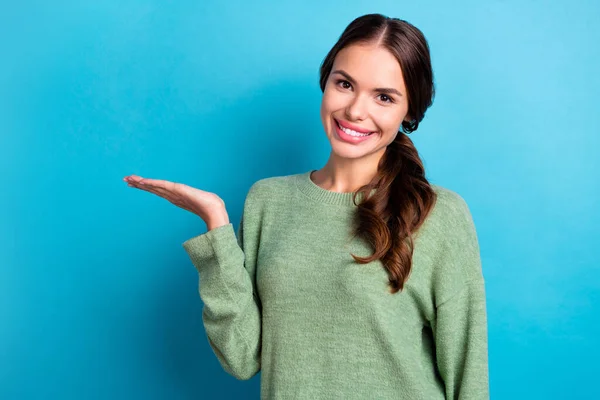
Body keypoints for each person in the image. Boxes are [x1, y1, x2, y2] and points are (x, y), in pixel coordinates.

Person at [124, 13, 489, 400]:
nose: (355, 111)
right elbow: (242, 358)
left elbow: (467, 373)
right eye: (345, 84)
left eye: (384, 97)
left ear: (410, 111)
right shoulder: (268, 200)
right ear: (326, 83)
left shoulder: (439, 214)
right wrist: (216, 226)